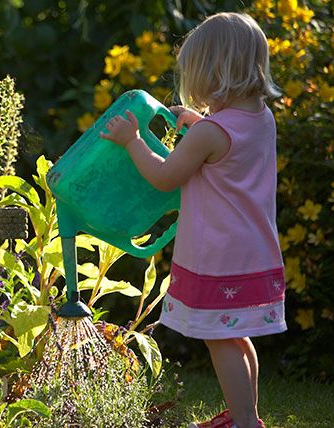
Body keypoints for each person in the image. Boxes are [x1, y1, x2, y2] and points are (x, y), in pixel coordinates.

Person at [100, 12, 285, 428]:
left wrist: (132, 141)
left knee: (219, 337)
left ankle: (243, 422)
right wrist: (201, 122)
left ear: (213, 73)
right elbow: (228, 152)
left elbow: (165, 177)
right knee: (236, 334)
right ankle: (246, 415)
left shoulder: (210, 134)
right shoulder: (260, 119)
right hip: (253, 249)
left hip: (220, 255)